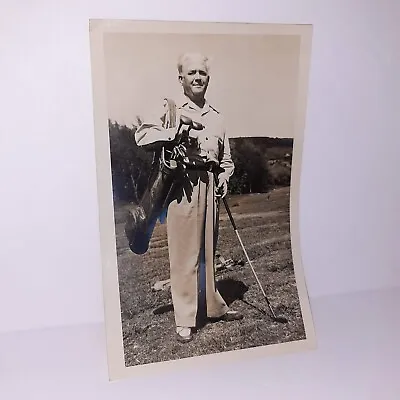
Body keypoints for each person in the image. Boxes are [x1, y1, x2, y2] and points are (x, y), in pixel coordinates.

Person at [134, 52, 243, 343]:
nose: (197, 78)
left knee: (207, 251)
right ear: (180, 78)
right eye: (191, 73)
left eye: (202, 73)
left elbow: (226, 161)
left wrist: (223, 177)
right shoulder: (170, 109)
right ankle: (185, 318)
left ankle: (213, 307)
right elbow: (142, 136)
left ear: (209, 78)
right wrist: (176, 130)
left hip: (209, 185)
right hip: (180, 185)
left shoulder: (218, 117)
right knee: (184, 255)